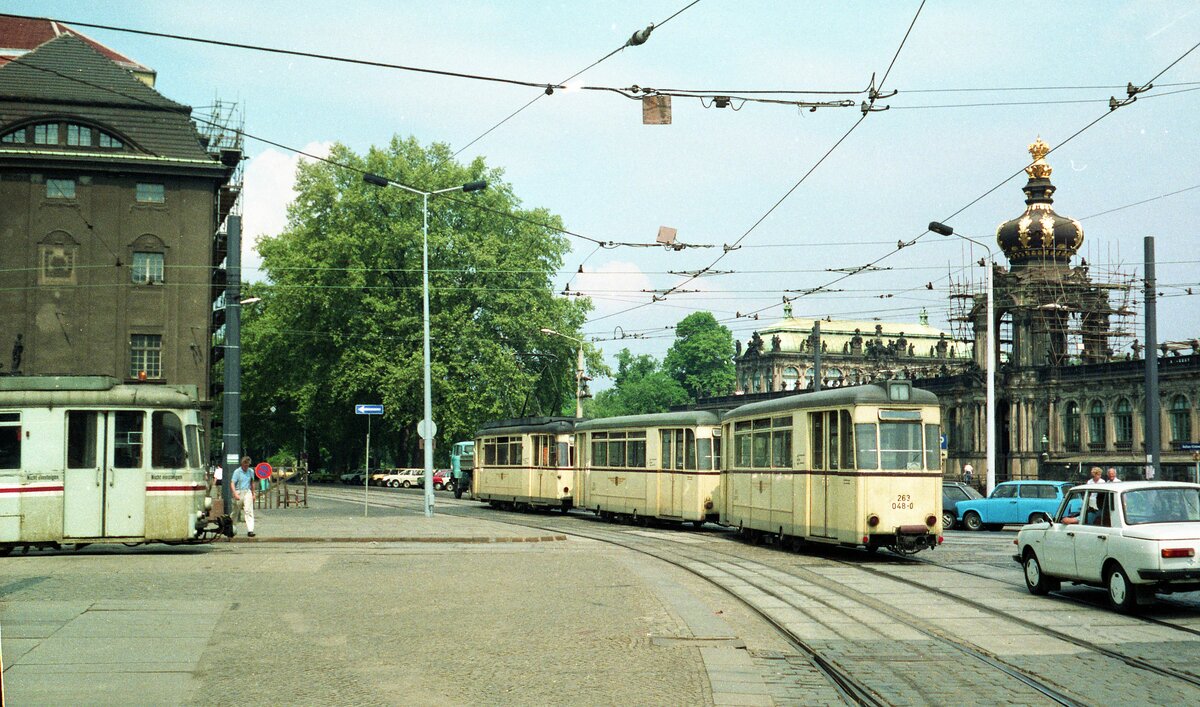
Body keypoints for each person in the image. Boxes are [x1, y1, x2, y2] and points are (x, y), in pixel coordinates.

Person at [231, 456, 256, 537]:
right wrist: (235, 493)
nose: (246, 467)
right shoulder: (237, 472)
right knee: (235, 511)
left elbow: (252, 482)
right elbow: (232, 483)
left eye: (247, 465)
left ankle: (250, 530)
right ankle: (232, 527)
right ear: (242, 464)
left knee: (248, 510)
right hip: (239, 491)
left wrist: (253, 493)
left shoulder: (251, 471)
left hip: (247, 491)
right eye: (245, 465)